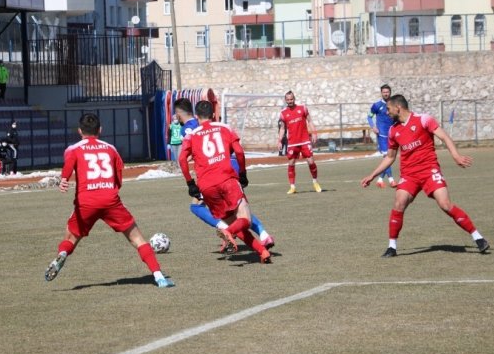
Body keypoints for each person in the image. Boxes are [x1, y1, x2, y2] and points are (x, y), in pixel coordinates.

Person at [44, 113, 175, 288]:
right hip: (110, 199)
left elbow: (68, 165)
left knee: (71, 236)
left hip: (86, 202)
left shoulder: (73, 148)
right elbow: (119, 175)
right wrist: (110, 192)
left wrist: (64, 179)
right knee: (137, 239)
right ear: (100, 130)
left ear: (79, 131)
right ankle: (159, 277)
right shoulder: (110, 148)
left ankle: (62, 254)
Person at [360, 94, 490, 257]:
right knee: (399, 204)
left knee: (445, 204)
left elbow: (444, 137)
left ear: (398, 107)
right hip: (409, 175)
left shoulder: (424, 119)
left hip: (429, 170)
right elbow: (390, 157)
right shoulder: (394, 130)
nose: (386, 112)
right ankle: (391, 247)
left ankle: (478, 238)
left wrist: (456, 156)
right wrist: (372, 175)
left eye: (388, 108)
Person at [174, 98, 275, 249]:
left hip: (216, 170)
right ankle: (263, 235)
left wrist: (191, 180)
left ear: (179, 114)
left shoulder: (187, 130)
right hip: (230, 163)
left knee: (196, 207)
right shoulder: (217, 125)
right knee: (239, 207)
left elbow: (191, 156)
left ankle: (225, 229)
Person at [278, 90, 321, 194]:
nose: (290, 101)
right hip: (292, 142)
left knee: (311, 161)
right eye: (288, 100)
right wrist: (279, 140)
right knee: (291, 163)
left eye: (291, 99)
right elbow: (282, 128)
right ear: (285, 100)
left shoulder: (303, 108)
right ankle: (292, 187)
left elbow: (310, 121)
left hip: (304, 140)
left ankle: (315, 182)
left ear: (294, 98)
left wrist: (314, 132)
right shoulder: (283, 113)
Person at [367, 84, 397, 188]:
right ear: (381, 93)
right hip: (382, 136)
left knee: (390, 157)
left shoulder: (394, 104)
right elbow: (369, 117)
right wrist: (373, 127)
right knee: (387, 157)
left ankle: (380, 180)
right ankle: (391, 180)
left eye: (387, 92)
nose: (386, 93)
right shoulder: (376, 105)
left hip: (393, 135)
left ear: (390, 93)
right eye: (384, 92)